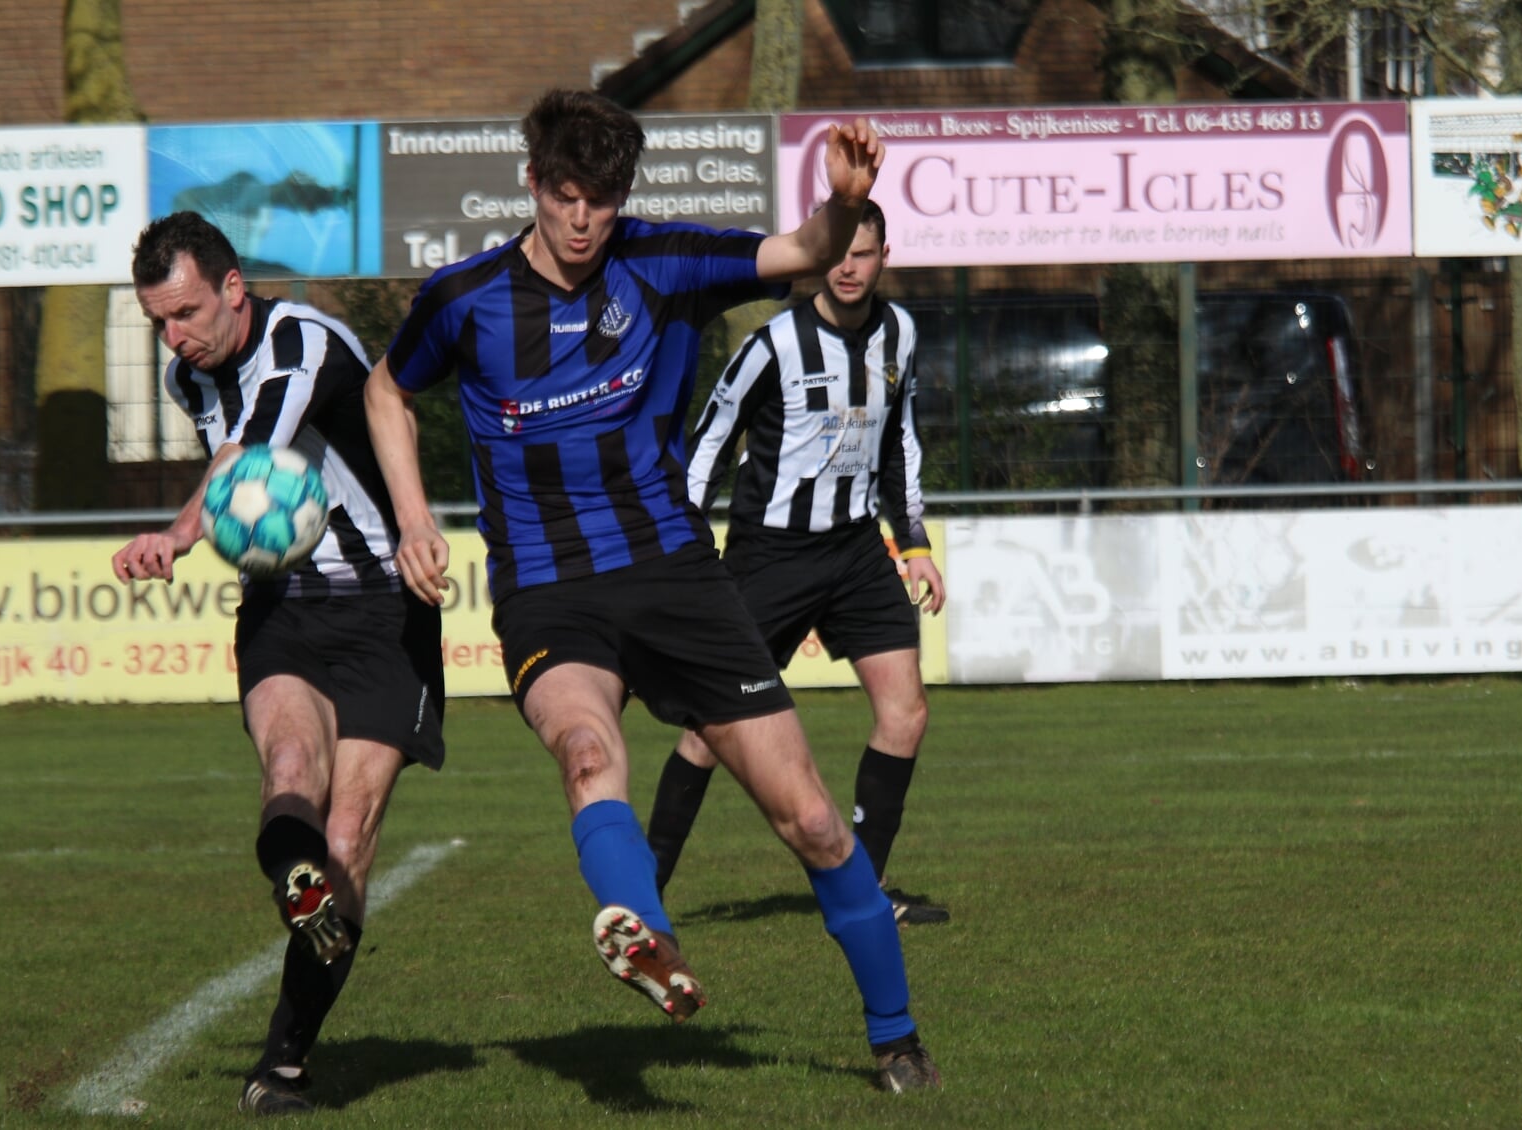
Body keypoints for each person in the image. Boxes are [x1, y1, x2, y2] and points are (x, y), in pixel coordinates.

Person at [364, 89, 940, 1093]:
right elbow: (386, 388)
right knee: (588, 750)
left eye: (604, 199)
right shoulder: (465, 299)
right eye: (568, 195)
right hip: (548, 589)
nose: (584, 220)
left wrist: (845, 203)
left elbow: (801, 250)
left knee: (809, 816)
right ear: (531, 183)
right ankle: (649, 935)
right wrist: (415, 519)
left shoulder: (662, 259)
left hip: (676, 574)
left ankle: (895, 1037)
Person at [111, 211, 446, 1116]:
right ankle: (296, 885)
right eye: (157, 322)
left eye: (184, 312)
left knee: (350, 841)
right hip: (284, 604)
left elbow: (248, 458)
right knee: (290, 769)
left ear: (232, 288)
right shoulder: (190, 374)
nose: (174, 337)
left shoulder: (306, 338)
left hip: (384, 609)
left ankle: (285, 1059)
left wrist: (181, 534)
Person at [646, 199, 950, 927]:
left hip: (854, 551)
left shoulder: (901, 334)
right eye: (837, 251)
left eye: (864, 253)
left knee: (905, 713)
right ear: (818, 258)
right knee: (710, 730)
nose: (848, 266)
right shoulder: (772, 344)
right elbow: (708, 447)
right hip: (770, 555)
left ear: (884, 258)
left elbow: (899, 444)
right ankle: (642, 894)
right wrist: (679, 547)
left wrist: (913, 543)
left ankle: (863, 893)